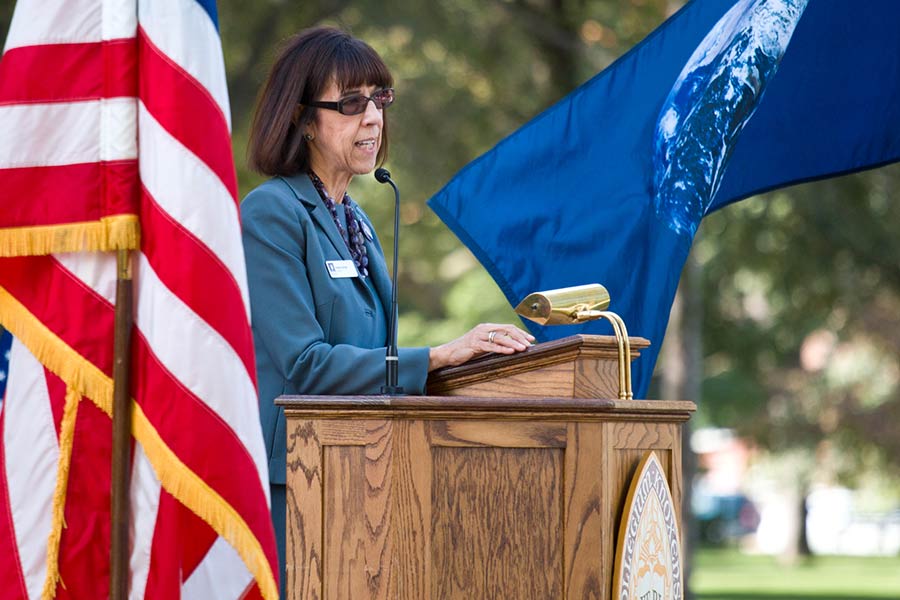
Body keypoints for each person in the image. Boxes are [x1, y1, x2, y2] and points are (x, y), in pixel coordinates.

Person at [241, 27, 534, 590]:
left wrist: (462, 368)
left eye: (380, 99)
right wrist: (438, 356)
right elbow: (305, 366)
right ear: (303, 118)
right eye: (351, 103)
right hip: (296, 482)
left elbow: (378, 360)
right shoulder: (272, 213)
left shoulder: (358, 222)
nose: (373, 117)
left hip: (368, 472)